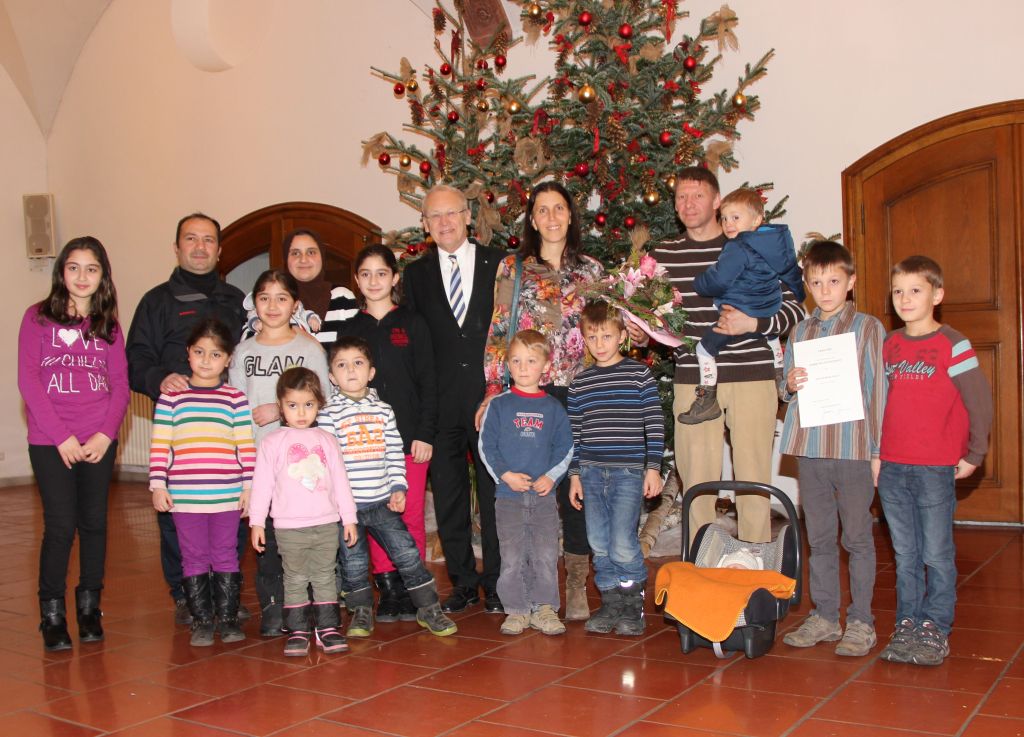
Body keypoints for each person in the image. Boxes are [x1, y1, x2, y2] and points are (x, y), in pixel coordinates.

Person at [649, 169, 805, 544]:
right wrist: (643, 327)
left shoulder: (753, 244)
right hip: (693, 379)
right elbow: (651, 315)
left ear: (717, 201)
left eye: (698, 196)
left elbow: (796, 306)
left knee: (753, 479)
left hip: (751, 374)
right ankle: (702, 567)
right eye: (681, 197)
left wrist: (754, 323)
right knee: (697, 482)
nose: (689, 204)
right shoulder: (662, 256)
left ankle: (755, 568)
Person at [478, 181, 603, 620]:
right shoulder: (513, 270)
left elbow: (605, 328)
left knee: (575, 483)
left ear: (571, 215)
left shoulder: (591, 271)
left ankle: (575, 582)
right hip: (528, 390)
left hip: (581, 389)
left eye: (559, 209)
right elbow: (498, 331)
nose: (551, 217)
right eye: (542, 210)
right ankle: (523, 584)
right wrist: (494, 391)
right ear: (532, 220)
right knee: (529, 487)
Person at [126, 212, 248, 625]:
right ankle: (186, 595)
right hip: (181, 432)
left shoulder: (237, 300)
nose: (200, 247)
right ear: (176, 247)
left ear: (219, 248)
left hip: (227, 429)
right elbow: (135, 360)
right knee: (178, 521)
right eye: (191, 239)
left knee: (232, 517)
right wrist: (162, 378)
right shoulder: (156, 301)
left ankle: (225, 594)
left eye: (208, 240)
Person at [877, 255, 992, 667]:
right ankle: (908, 622)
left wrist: (975, 452)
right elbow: (879, 403)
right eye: (898, 291)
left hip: (934, 468)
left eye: (915, 290)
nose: (905, 299)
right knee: (905, 553)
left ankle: (935, 626)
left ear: (937, 294)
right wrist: (875, 454)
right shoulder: (889, 345)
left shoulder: (952, 344)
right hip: (891, 465)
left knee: (936, 553)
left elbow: (978, 401)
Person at [18, 237, 130, 651]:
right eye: (74, 267)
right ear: (61, 272)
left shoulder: (109, 326)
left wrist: (105, 433)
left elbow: (120, 384)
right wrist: (61, 437)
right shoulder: (37, 319)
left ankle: (88, 607)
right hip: (51, 440)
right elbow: (28, 381)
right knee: (61, 526)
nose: (82, 277)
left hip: (98, 438)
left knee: (95, 523)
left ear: (103, 276)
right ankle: (51, 613)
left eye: (92, 269)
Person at [778, 241, 886, 657]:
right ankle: (824, 615)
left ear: (851, 282)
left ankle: (861, 621)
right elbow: (785, 388)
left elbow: (878, 391)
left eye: (834, 282)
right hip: (812, 448)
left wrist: (877, 451)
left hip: (854, 447)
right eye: (817, 282)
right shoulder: (800, 331)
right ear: (806, 284)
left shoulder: (868, 328)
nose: (825, 290)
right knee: (820, 538)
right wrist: (788, 384)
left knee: (857, 538)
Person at [402, 184, 504, 614]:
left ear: (468, 216)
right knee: (448, 497)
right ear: (425, 225)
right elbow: (414, 345)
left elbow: (509, 329)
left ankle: (498, 583)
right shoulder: (415, 276)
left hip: (490, 401)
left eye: (452, 213)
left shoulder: (500, 265)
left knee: (495, 493)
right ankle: (463, 581)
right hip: (440, 405)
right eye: (434, 216)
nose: (444, 222)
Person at [318, 337, 458, 637]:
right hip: (348, 510)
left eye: (358, 363)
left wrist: (398, 486)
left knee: (406, 554)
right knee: (353, 564)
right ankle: (361, 612)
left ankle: (428, 608)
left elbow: (395, 452)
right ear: (332, 376)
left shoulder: (383, 411)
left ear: (371, 372)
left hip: (382, 502)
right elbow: (327, 463)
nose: (351, 370)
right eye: (342, 365)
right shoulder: (327, 415)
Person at [334, 244, 436, 623]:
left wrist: (426, 433)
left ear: (395, 278)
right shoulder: (351, 329)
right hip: (364, 445)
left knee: (407, 516)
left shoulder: (413, 323)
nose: (374, 281)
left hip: (410, 441)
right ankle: (389, 589)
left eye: (382, 273)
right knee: (374, 519)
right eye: (366, 274)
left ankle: (415, 587)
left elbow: (428, 381)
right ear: (357, 281)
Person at [228, 269, 332, 636]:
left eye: (282, 298)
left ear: (296, 305)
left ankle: (313, 606)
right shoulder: (244, 351)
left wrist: (278, 408)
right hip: (260, 464)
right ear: (253, 303)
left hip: (305, 467)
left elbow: (326, 402)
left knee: (306, 539)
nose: (273, 306)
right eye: (264, 298)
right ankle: (275, 608)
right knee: (269, 541)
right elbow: (235, 410)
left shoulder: (309, 349)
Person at [149, 319, 256, 647]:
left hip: (226, 495)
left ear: (228, 360)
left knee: (225, 554)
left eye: (215, 354)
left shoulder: (235, 399)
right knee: (193, 555)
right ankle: (202, 620)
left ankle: (227, 618)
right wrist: (158, 485)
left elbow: (245, 446)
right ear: (188, 354)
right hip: (185, 497)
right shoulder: (171, 399)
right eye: (199, 352)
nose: (206, 360)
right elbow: (160, 445)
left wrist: (249, 487)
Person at [568, 301, 665, 636]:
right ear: (584, 339)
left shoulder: (639, 374)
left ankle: (631, 604)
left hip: (627, 473)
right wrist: (575, 475)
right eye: (592, 337)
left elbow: (654, 423)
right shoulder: (580, 382)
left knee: (623, 541)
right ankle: (610, 603)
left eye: (607, 336)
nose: (600, 344)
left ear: (622, 336)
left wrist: (653, 468)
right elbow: (575, 434)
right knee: (598, 541)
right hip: (592, 473)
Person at [249, 367, 359, 656]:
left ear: (319, 404)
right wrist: (257, 522)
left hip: (325, 523)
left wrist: (349, 518)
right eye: (293, 405)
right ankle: (297, 629)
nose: (301, 412)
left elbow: (341, 483)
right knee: (295, 577)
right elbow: (261, 486)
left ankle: (328, 628)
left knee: (325, 575)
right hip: (288, 527)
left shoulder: (327, 440)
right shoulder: (271, 443)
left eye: (308, 405)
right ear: (281, 406)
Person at [677, 188, 804, 424]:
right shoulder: (778, 245)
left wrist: (699, 282)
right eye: (725, 218)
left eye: (736, 218)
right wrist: (799, 291)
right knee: (772, 335)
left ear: (757, 219)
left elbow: (719, 280)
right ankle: (779, 374)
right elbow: (793, 274)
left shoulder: (737, 247)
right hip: (769, 306)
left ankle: (707, 398)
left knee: (703, 350)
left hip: (743, 318)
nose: (728, 224)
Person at [479, 330, 573, 636]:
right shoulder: (499, 405)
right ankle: (517, 609)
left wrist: (551, 476)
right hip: (508, 496)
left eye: (531, 361)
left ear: (545, 366)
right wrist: (504, 475)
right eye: (516, 360)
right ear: (508, 365)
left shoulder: (553, 408)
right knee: (513, 554)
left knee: (546, 553)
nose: (523, 367)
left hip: (544, 497)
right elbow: (486, 446)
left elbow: (566, 447)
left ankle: (545, 608)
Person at [241, 229, 358, 344]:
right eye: (295, 253)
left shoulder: (342, 298)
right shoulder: (270, 300)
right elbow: (246, 348)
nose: (303, 259)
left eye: (311, 252)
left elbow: (359, 349)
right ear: (286, 259)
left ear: (322, 256)